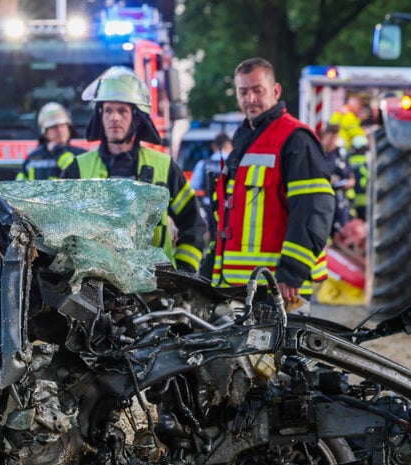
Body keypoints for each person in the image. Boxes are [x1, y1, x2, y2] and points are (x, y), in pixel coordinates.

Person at [212, 57, 334, 307]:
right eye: (243, 92)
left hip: (280, 285)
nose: (251, 99)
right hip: (242, 285)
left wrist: (292, 271)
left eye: (258, 90)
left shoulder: (296, 139)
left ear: (275, 91)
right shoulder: (246, 137)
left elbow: (312, 208)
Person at [60, 67, 206, 273]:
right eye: (108, 110)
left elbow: (193, 224)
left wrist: (184, 271)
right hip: (93, 287)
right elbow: (58, 227)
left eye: (122, 111)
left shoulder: (164, 167)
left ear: (136, 118)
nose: (115, 118)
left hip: (156, 287)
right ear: (100, 116)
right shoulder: (77, 168)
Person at [190, 132, 233, 277]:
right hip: (231, 208)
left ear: (214, 146)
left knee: (213, 238)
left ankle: (211, 261)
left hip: (209, 207)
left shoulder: (204, 164)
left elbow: (194, 187)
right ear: (228, 145)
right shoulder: (234, 163)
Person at [17, 102, 85, 180]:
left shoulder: (82, 155)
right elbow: (19, 186)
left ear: (69, 128)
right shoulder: (33, 158)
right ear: (45, 133)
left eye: (62, 125)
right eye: (54, 127)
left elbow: (78, 175)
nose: (60, 131)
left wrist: (59, 152)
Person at [319, 124, 355, 237]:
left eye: (336, 137)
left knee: (341, 234)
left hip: (339, 200)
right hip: (323, 199)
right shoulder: (319, 153)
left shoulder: (341, 153)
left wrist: (347, 182)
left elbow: (351, 178)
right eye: (331, 137)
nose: (333, 141)